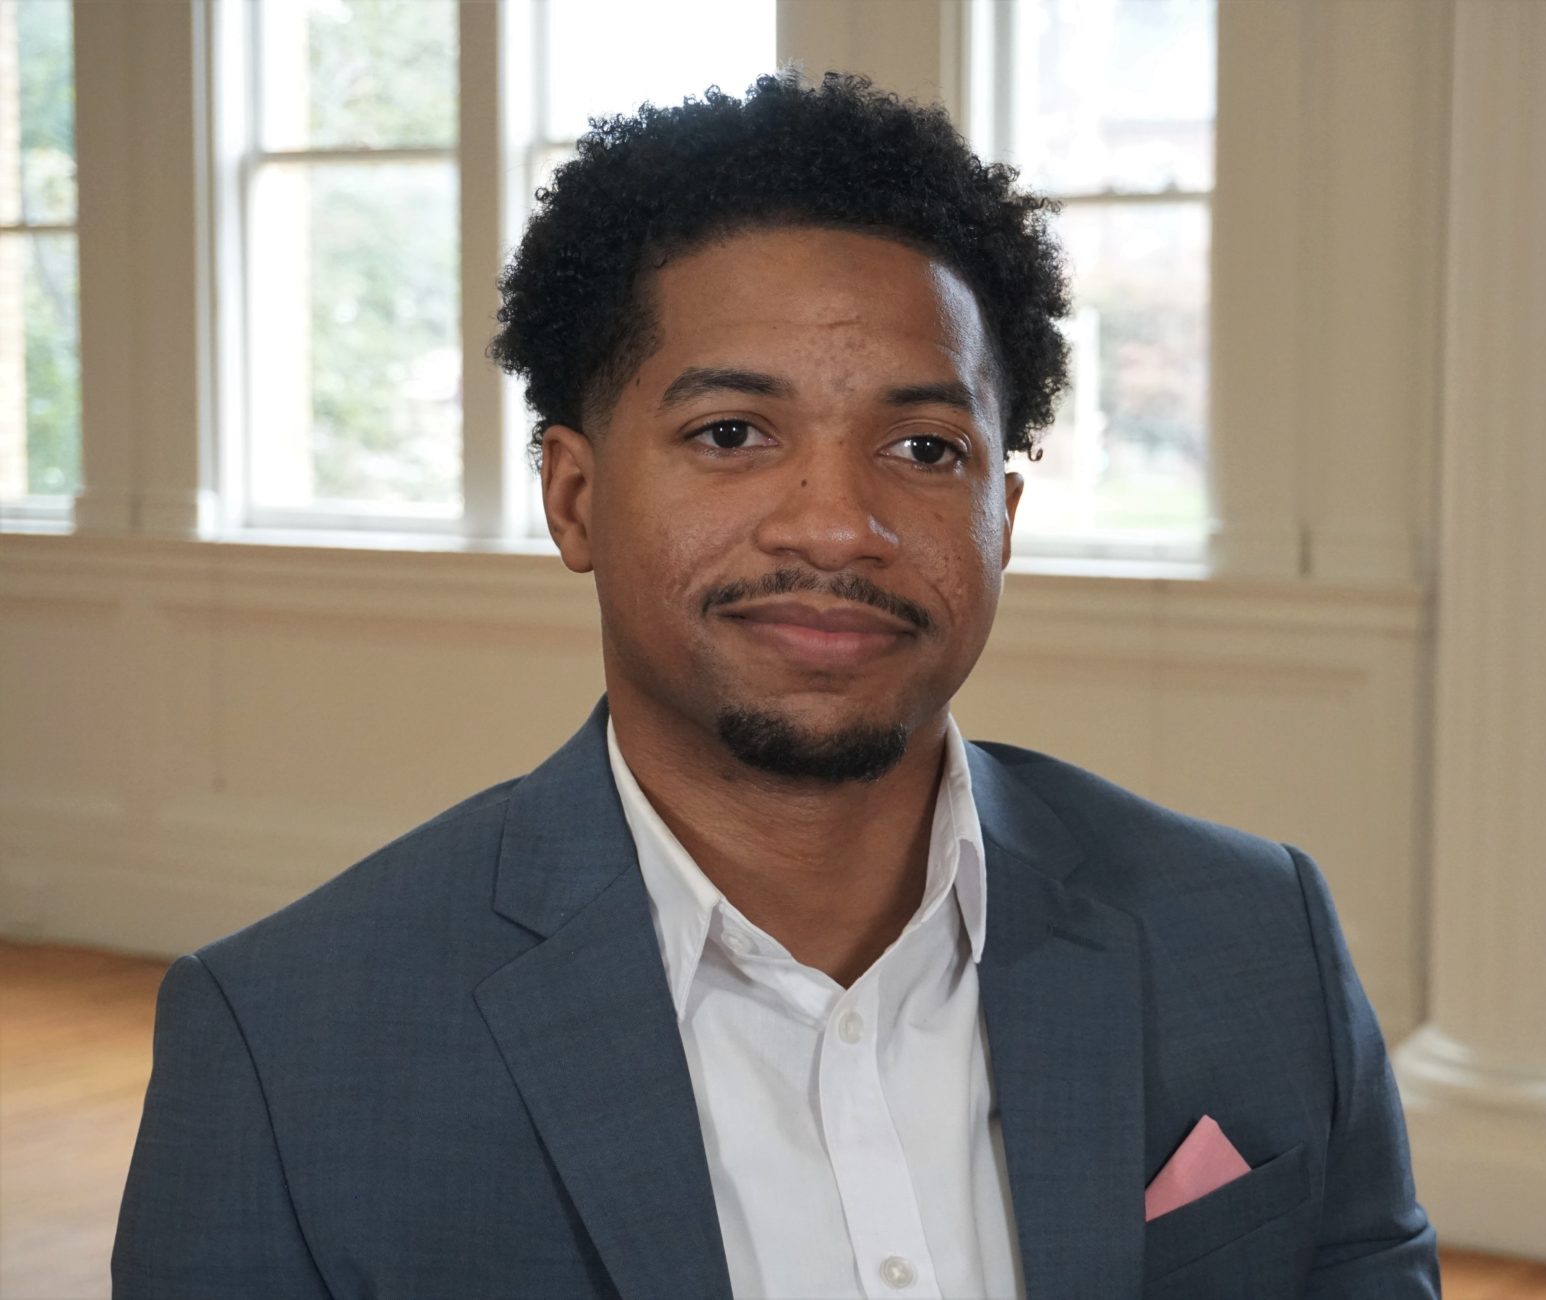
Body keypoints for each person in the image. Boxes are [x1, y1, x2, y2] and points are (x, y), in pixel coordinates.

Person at [112, 72, 1438, 1299]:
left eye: (925, 448)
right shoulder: (284, 1047)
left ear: (1003, 517)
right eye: (732, 433)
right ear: (573, 498)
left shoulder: (1253, 933)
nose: (837, 526)